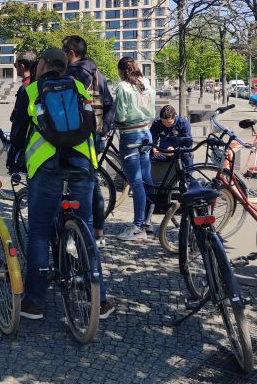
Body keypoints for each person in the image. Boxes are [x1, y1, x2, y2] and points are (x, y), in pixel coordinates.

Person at [8, 48, 114, 321]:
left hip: (46, 167)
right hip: (81, 164)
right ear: (64, 68)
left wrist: (14, 161)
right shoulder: (79, 87)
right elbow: (91, 126)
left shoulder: (31, 91)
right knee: (86, 229)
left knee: (41, 232)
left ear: (42, 65)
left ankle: (34, 302)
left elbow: (18, 132)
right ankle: (99, 301)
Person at [62, 35, 115, 247]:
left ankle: (73, 235)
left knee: (70, 187)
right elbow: (110, 103)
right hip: (95, 137)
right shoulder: (97, 74)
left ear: (71, 53)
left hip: (71, 139)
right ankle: (98, 233)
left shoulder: (68, 74)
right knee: (92, 184)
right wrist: (103, 131)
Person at [113, 57, 156, 241]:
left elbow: (121, 114)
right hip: (146, 132)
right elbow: (152, 112)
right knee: (146, 178)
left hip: (130, 135)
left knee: (136, 182)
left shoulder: (123, 87)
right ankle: (148, 221)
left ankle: (138, 227)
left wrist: (112, 121)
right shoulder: (146, 84)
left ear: (121, 71)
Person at [150, 105, 193, 169]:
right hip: (163, 151)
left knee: (187, 155)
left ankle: (188, 177)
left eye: (169, 122)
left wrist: (175, 150)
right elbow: (152, 137)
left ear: (174, 117)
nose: (166, 124)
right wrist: (153, 147)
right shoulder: (157, 123)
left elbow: (188, 144)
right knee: (147, 155)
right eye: (164, 122)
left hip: (179, 151)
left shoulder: (183, 123)